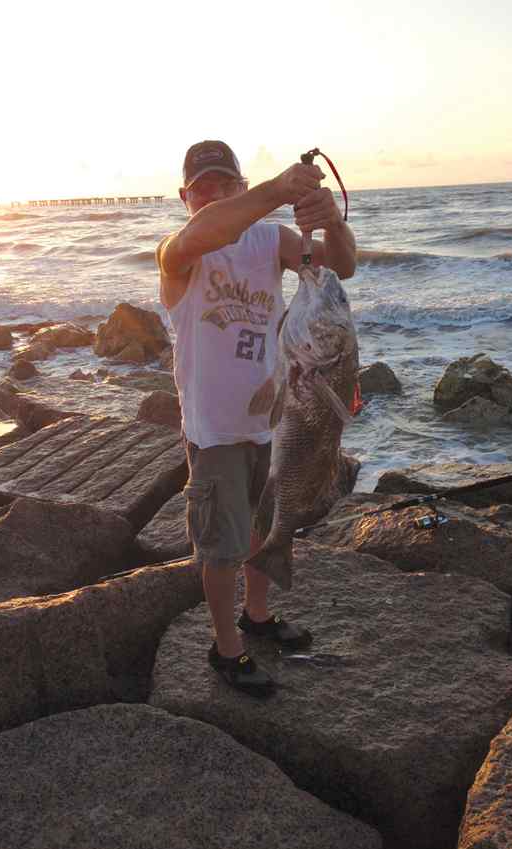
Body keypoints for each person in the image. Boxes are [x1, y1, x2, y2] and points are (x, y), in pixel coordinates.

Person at [156, 140, 356, 697]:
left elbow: (341, 268)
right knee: (222, 547)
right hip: (215, 430)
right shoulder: (179, 253)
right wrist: (276, 191)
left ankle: (258, 615)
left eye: (227, 184)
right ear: (185, 197)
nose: (216, 193)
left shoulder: (272, 240)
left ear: (240, 187)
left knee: (268, 530)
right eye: (204, 187)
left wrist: (330, 221)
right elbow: (205, 232)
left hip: (275, 418)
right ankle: (226, 649)